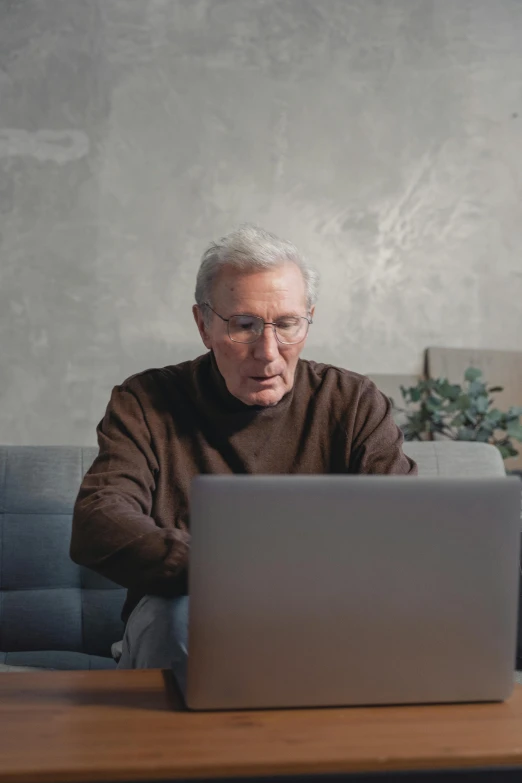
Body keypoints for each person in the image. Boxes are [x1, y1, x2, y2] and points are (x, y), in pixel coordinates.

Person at [70, 224, 417, 669]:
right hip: (188, 611)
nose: (268, 352)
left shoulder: (352, 402)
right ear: (204, 325)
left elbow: (405, 528)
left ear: (308, 318)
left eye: (288, 324)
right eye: (245, 326)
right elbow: (98, 521)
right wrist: (224, 569)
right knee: (177, 616)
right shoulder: (146, 401)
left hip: (325, 618)